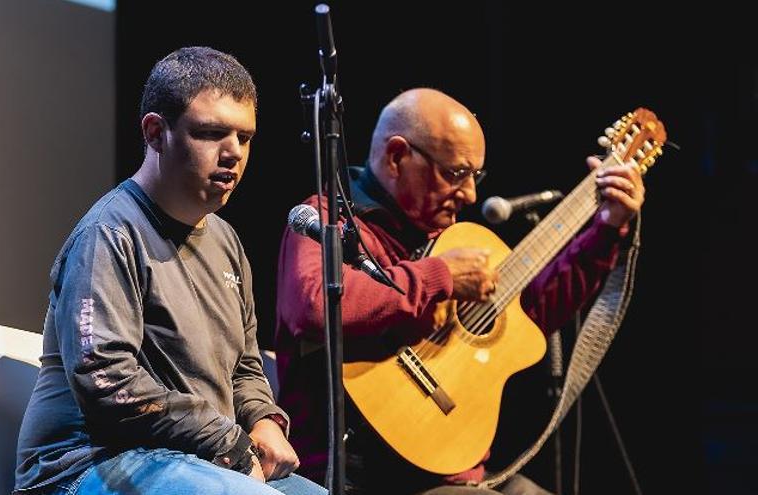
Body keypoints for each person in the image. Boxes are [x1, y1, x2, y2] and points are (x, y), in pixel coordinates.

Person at [274, 88, 645, 494]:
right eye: (456, 174)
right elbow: (310, 304)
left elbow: (530, 317)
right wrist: (439, 276)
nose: (470, 194)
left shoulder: (451, 236)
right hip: (361, 475)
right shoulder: (327, 221)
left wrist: (606, 229)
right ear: (397, 157)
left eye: (476, 175)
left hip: (452, 473)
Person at [14, 46, 326, 495]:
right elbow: (107, 380)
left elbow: (243, 366)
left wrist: (264, 419)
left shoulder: (226, 241)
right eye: (212, 133)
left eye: (245, 136)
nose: (233, 153)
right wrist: (230, 442)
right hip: (88, 463)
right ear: (156, 132)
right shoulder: (108, 233)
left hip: (192, 458)